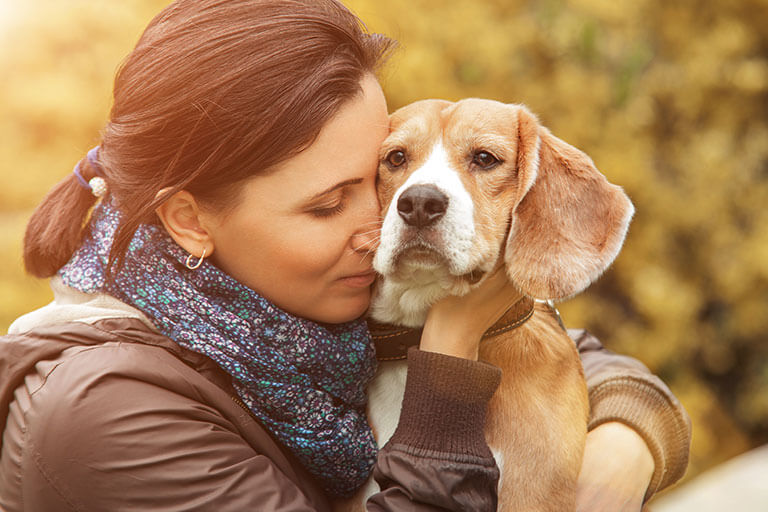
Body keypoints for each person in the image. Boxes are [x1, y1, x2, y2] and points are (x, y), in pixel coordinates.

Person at [0, 0, 690, 510]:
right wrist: (448, 352)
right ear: (188, 220)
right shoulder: (106, 416)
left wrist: (624, 448)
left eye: (375, 181)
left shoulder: (289, 314)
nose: (380, 224)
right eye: (328, 204)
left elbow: (572, 354)